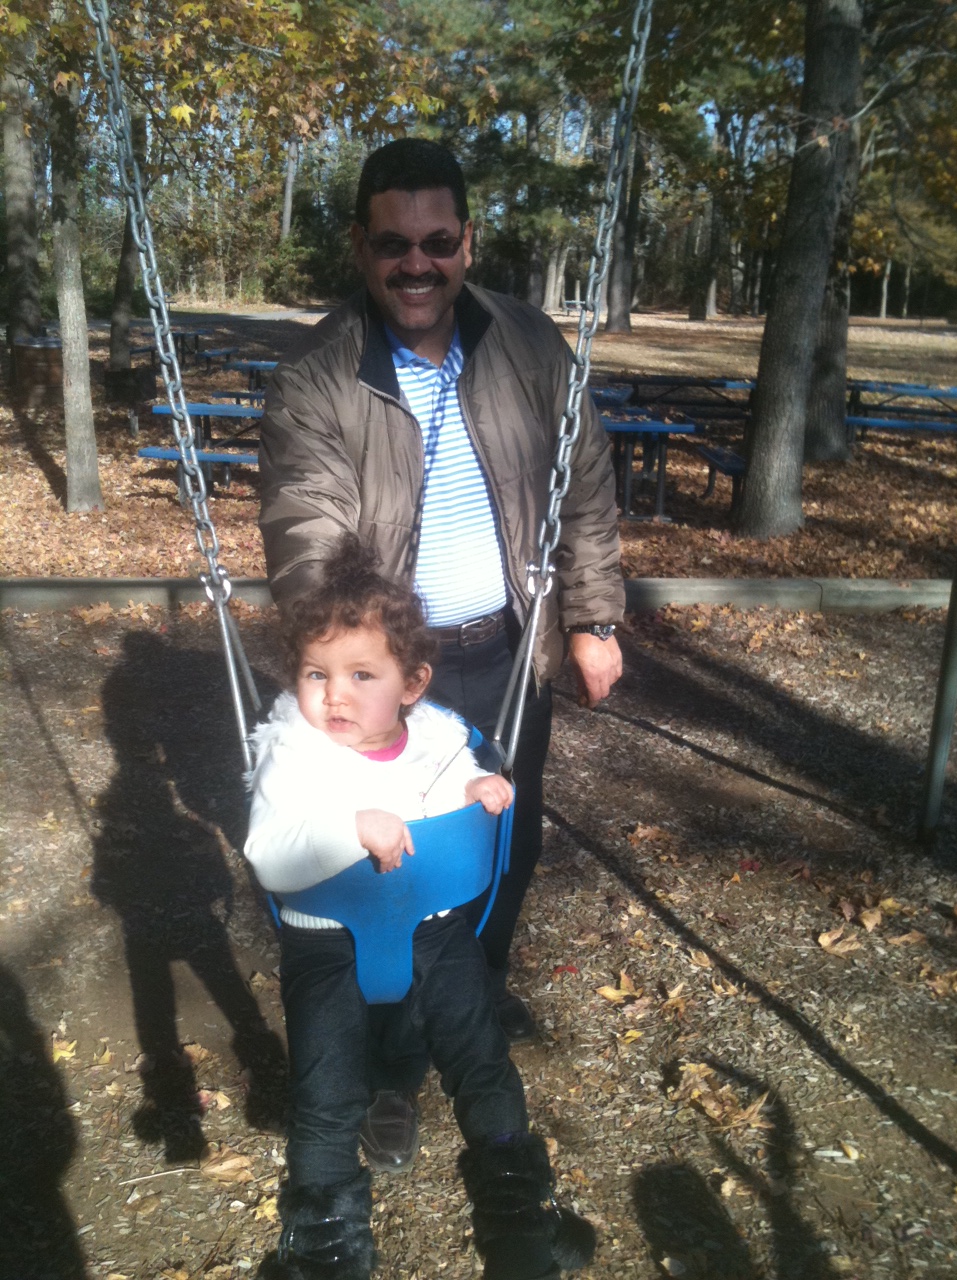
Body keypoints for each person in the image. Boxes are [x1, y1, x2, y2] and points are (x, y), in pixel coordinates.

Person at [258, 136, 625, 1171]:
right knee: (394, 873)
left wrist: (594, 619)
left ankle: (459, 1014)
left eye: (435, 242)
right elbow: (308, 537)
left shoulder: (526, 343)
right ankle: (391, 1068)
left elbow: (584, 479)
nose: (415, 264)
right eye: (393, 244)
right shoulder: (320, 378)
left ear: (466, 240)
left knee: (503, 851)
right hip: (395, 685)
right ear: (361, 247)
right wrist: (360, 681)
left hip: (510, 655)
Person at [245, 534, 596, 1280]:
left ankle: (516, 1216)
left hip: (436, 936)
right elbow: (269, 854)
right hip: (327, 945)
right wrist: (349, 829)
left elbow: (451, 784)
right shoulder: (292, 751)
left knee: (483, 1063)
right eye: (315, 673)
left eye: (360, 675)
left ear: (412, 683)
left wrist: (476, 790)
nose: (333, 695)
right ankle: (325, 1250)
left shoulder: (438, 735)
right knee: (327, 1098)